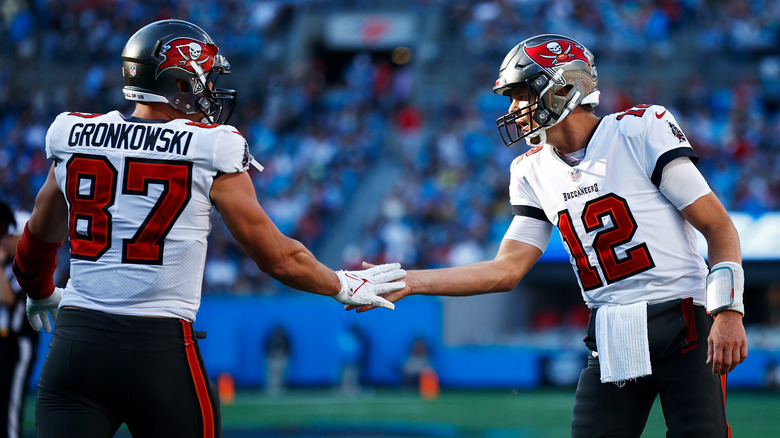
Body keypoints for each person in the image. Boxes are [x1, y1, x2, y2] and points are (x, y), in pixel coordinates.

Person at [13, 19, 405, 438]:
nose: (210, 90)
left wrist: (39, 292)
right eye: (204, 78)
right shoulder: (210, 145)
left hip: (76, 345)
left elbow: (36, 241)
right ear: (178, 82)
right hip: (158, 349)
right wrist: (340, 284)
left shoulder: (74, 135)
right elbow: (278, 258)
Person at [352, 34, 747, 437]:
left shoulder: (640, 131)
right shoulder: (530, 171)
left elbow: (718, 227)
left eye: (521, 94)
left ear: (562, 87)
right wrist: (411, 281)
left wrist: (728, 310)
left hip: (684, 322)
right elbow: (505, 270)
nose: (512, 109)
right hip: (613, 331)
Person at [0, 204, 37, 438]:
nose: (3, 241)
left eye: (9, 236)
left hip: (18, 342)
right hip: (6, 342)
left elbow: (8, 298)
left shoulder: (27, 266)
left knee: (10, 407)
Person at [263, 324, 291, 395]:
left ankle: (281, 387)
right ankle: (272, 388)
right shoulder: (270, 338)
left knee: (281, 374)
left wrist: (284, 356)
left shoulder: (285, 338)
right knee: (272, 375)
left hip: (281, 358)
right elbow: (266, 349)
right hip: (273, 358)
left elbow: (288, 349)